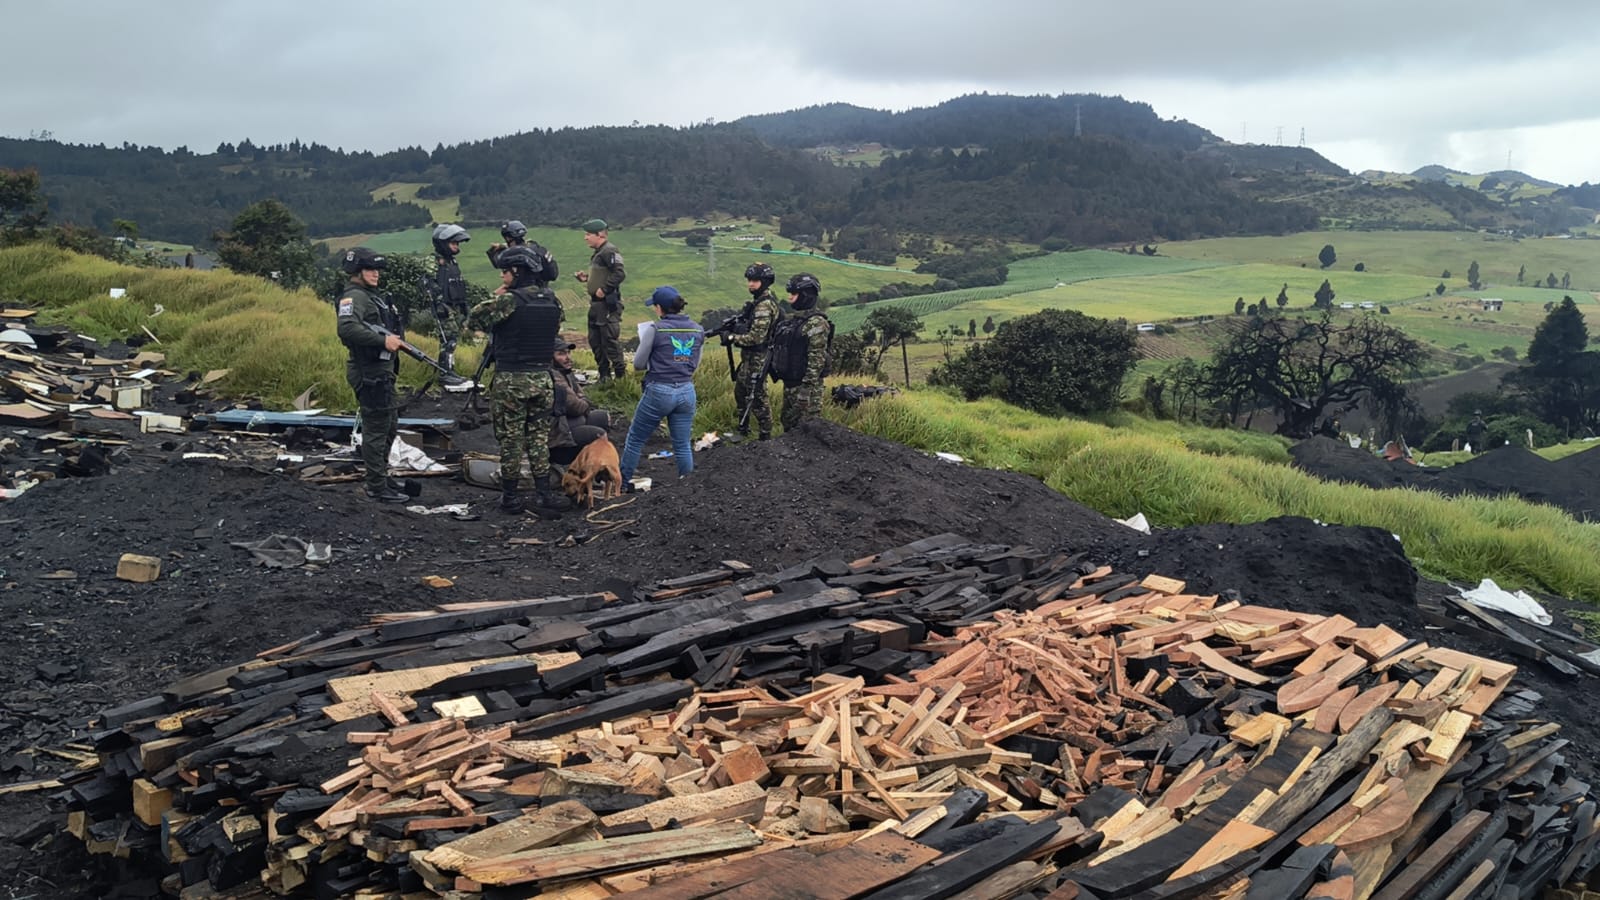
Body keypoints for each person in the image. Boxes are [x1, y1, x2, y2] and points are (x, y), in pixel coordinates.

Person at [465, 246, 573, 517]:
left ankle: (511, 497)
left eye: (505, 271)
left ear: (517, 271)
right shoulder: (552, 301)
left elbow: (474, 319)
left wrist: (500, 296)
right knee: (538, 439)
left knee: (511, 440)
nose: (502, 276)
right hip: (543, 379)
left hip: (512, 380)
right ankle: (544, 494)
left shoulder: (509, 301)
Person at [334, 247, 408, 503]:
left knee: (389, 427)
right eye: (369, 269)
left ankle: (381, 476)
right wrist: (382, 340)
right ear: (356, 272)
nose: (376, 274)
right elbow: (346, 329)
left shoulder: (371, 296)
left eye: (377, 269)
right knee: (377, 429)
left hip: (381, 372)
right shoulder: (354, 297)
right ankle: (376, 486)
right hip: (369, 372)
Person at [619, 286, 704, 486]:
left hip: (659, 390)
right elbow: (695, 365)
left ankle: (622, 484)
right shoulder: (698, 329)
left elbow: (638, 364)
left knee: (635, 439)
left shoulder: (655, 329)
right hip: (686, 390)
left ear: (660, 308)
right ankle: (687, 485)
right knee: (682, 444)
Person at [723, 262, 780, 441]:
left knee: (758, 396)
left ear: (764, 281)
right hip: (749, 358)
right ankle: (743, 429)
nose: (750, 284)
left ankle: (765, 435)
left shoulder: (764, 306)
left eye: (755, 280)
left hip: (759, 357)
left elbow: (757, 338)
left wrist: (733, 338)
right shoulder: (757, 303)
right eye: (749, 280)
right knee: (741, 392)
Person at [779, 272, 833, 431]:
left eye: (794, 294)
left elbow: (816, 360)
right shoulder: (796, 320)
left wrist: (805, 390)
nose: (790, 298)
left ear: (805, 295)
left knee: (806, 431)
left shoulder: (816, 323)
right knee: (788, 424)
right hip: (791, 384)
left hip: (806, 388)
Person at [576, 218, 626, 382]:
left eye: (588, 234)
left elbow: (619, 274)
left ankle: (620, 377)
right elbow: (604, 274)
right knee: (595, 341)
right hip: (596, 305)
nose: (585, 238)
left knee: (609, 340)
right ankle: (604, 375)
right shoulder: (598, 253)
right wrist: (588, 279)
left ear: (599, 235)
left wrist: (604, 290)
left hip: (607, 305)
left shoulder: (609, 251)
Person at [550, 337, 611, 467]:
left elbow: (583, 397)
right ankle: (587, 471)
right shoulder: (553, 377)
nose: (567, 357)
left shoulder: (566, 373)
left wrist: (582, 403)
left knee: (602, 417)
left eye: (568, 353)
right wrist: (583, 404)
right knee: (598, 435)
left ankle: (586, 467)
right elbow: (575, 406)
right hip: (559, 436)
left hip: (571, 422)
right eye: (561, 354)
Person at [429, 223, 472, 385]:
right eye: (453, 243)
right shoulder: (433, 261)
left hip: (454, 307)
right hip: (443, 308)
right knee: (449, 339)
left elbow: (457, 284)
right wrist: (439, 304)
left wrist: (464, 306)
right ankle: (445, 373)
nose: (457, 246)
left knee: (453, 339)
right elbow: (426, 284)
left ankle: (450, 370)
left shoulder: (452, 263)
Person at [486, 219, 559, 283]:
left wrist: (495, 250)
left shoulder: (518, 253)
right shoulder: (535, 247)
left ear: (508, 237)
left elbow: (499, 263)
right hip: (542, 289)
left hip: (525, 292)